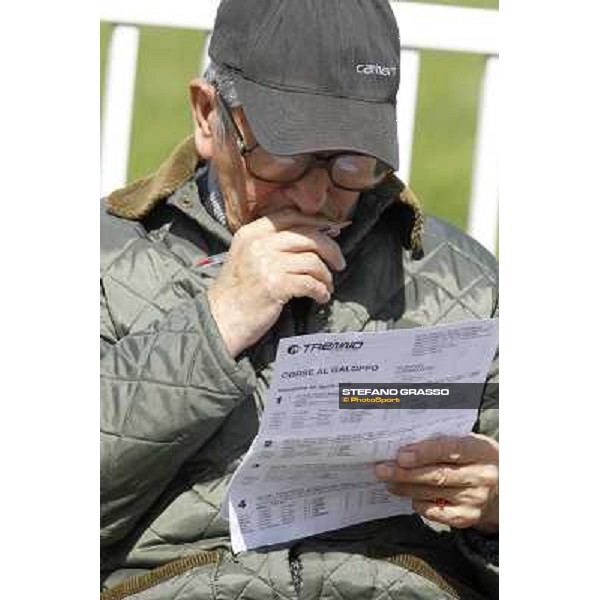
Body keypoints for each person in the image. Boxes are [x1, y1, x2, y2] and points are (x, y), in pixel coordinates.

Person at [100, 0, 499, 598]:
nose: (316, 198)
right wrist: (215, 322)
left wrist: (500, 505)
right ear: (209, 118)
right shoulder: (105, 263)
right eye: (285, 156)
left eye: (351, 161)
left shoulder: (458, 277)